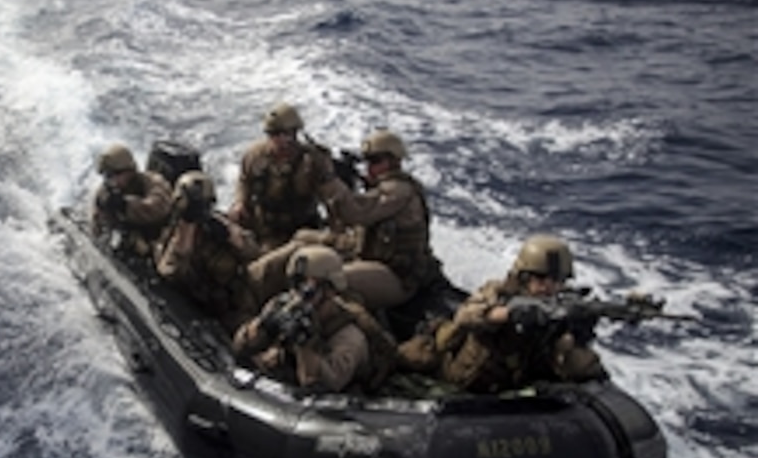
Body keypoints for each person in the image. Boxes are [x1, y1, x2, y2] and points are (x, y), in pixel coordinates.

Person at [247, 128, 442, 312]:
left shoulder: (399, 191)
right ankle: (250, 286)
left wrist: (331, 178)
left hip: (396, 275)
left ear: (394, 161)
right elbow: (350, 225)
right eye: (367, 161)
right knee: (303, 239)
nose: (370, 168)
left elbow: (357, 215)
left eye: (375, 161)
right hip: (367, 254)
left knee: (328, 277)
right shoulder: (381, 188)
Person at [433, 234, 607, 394]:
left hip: (522, 379)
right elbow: (465, 317)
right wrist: (511, 314)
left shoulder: (559, 302)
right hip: (469, 380)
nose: (549, 287)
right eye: (541, 279)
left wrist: (579, 329)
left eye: (557, 280)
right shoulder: (498, 291)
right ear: (524, 276)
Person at [232, 245, 397, 393]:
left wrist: (304, 343)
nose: (298, 296)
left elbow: (317, 387)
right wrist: (263, 327)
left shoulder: (349, 336)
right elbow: (240, 349)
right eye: (297, 285)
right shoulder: (283, 305)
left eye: (309, 289)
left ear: (330, 291)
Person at [156, 170, 261, 333]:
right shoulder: (174, 232)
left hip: (229, 307)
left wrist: (229, 236)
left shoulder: (220, 225)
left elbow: (253, 252)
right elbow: (170, 273)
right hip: (194, 303)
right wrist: (187, 229)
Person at [227, 102, 335, 252]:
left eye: (286, 134)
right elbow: (244, 181)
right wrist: (240, 203)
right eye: (275, 134)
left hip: (301, 231)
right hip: (264, 228)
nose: (281, 140)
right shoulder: (254, 156)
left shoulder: (313, 161)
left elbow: (331, 198)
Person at [91, 144, 172, 260]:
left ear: (130, 171)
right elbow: (97, 221)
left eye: (115, 174)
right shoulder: (107, 192)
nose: (111, 181)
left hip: (159, 238)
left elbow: (158, 208)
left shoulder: (153, 182)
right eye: (107, 176)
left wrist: (125, 205)